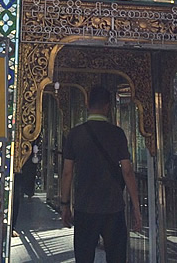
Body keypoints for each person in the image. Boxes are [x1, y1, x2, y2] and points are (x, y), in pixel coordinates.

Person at [60, 85, 142, 263]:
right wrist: (136, 207)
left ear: (87, 105)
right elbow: (127, 172)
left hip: (84, 208)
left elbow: (67, 173)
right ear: (107, 107)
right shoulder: (117, 134)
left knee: (84, 257)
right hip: (113, 208)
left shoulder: (75, 134)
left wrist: (65, 204)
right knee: (117, 257)